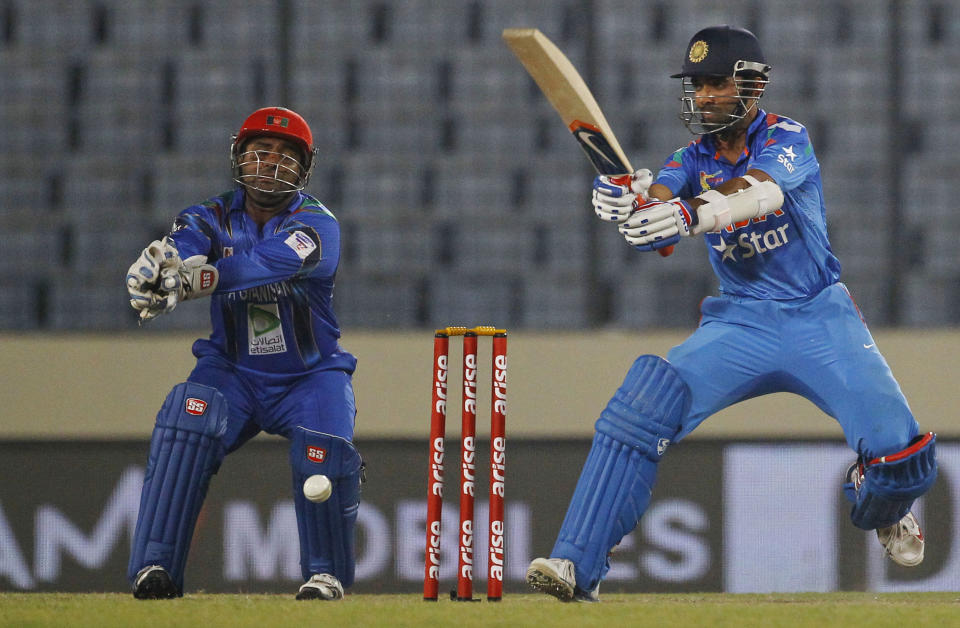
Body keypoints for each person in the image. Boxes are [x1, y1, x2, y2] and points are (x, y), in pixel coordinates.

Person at [526, 25, 937, 602]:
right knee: (643, 405)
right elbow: (662, 205)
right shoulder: (688, 159)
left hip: (819, 317)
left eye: (717, 83)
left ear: (754, 84)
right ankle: (575, 565)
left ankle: (878, 496)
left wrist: (691, 214)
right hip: (740, 323)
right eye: (697, 85)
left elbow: (762, 192)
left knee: (905, 457)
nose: (704, 97)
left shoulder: (788, 136)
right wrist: (631, 204)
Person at [124, 106, 363, 601]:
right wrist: (166, 265)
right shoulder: (207, 215)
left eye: (285, 155)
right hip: (232, 371)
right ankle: (155, 569)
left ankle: (325, 576)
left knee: (324, 456)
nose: (272, 163)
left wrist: (194, 282)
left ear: (305, 168)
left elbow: (265, 264)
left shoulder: (319, 225)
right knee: (185, 421)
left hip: (309, 376)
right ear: (240, 156)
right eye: (261, 151)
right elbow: (186, 243)